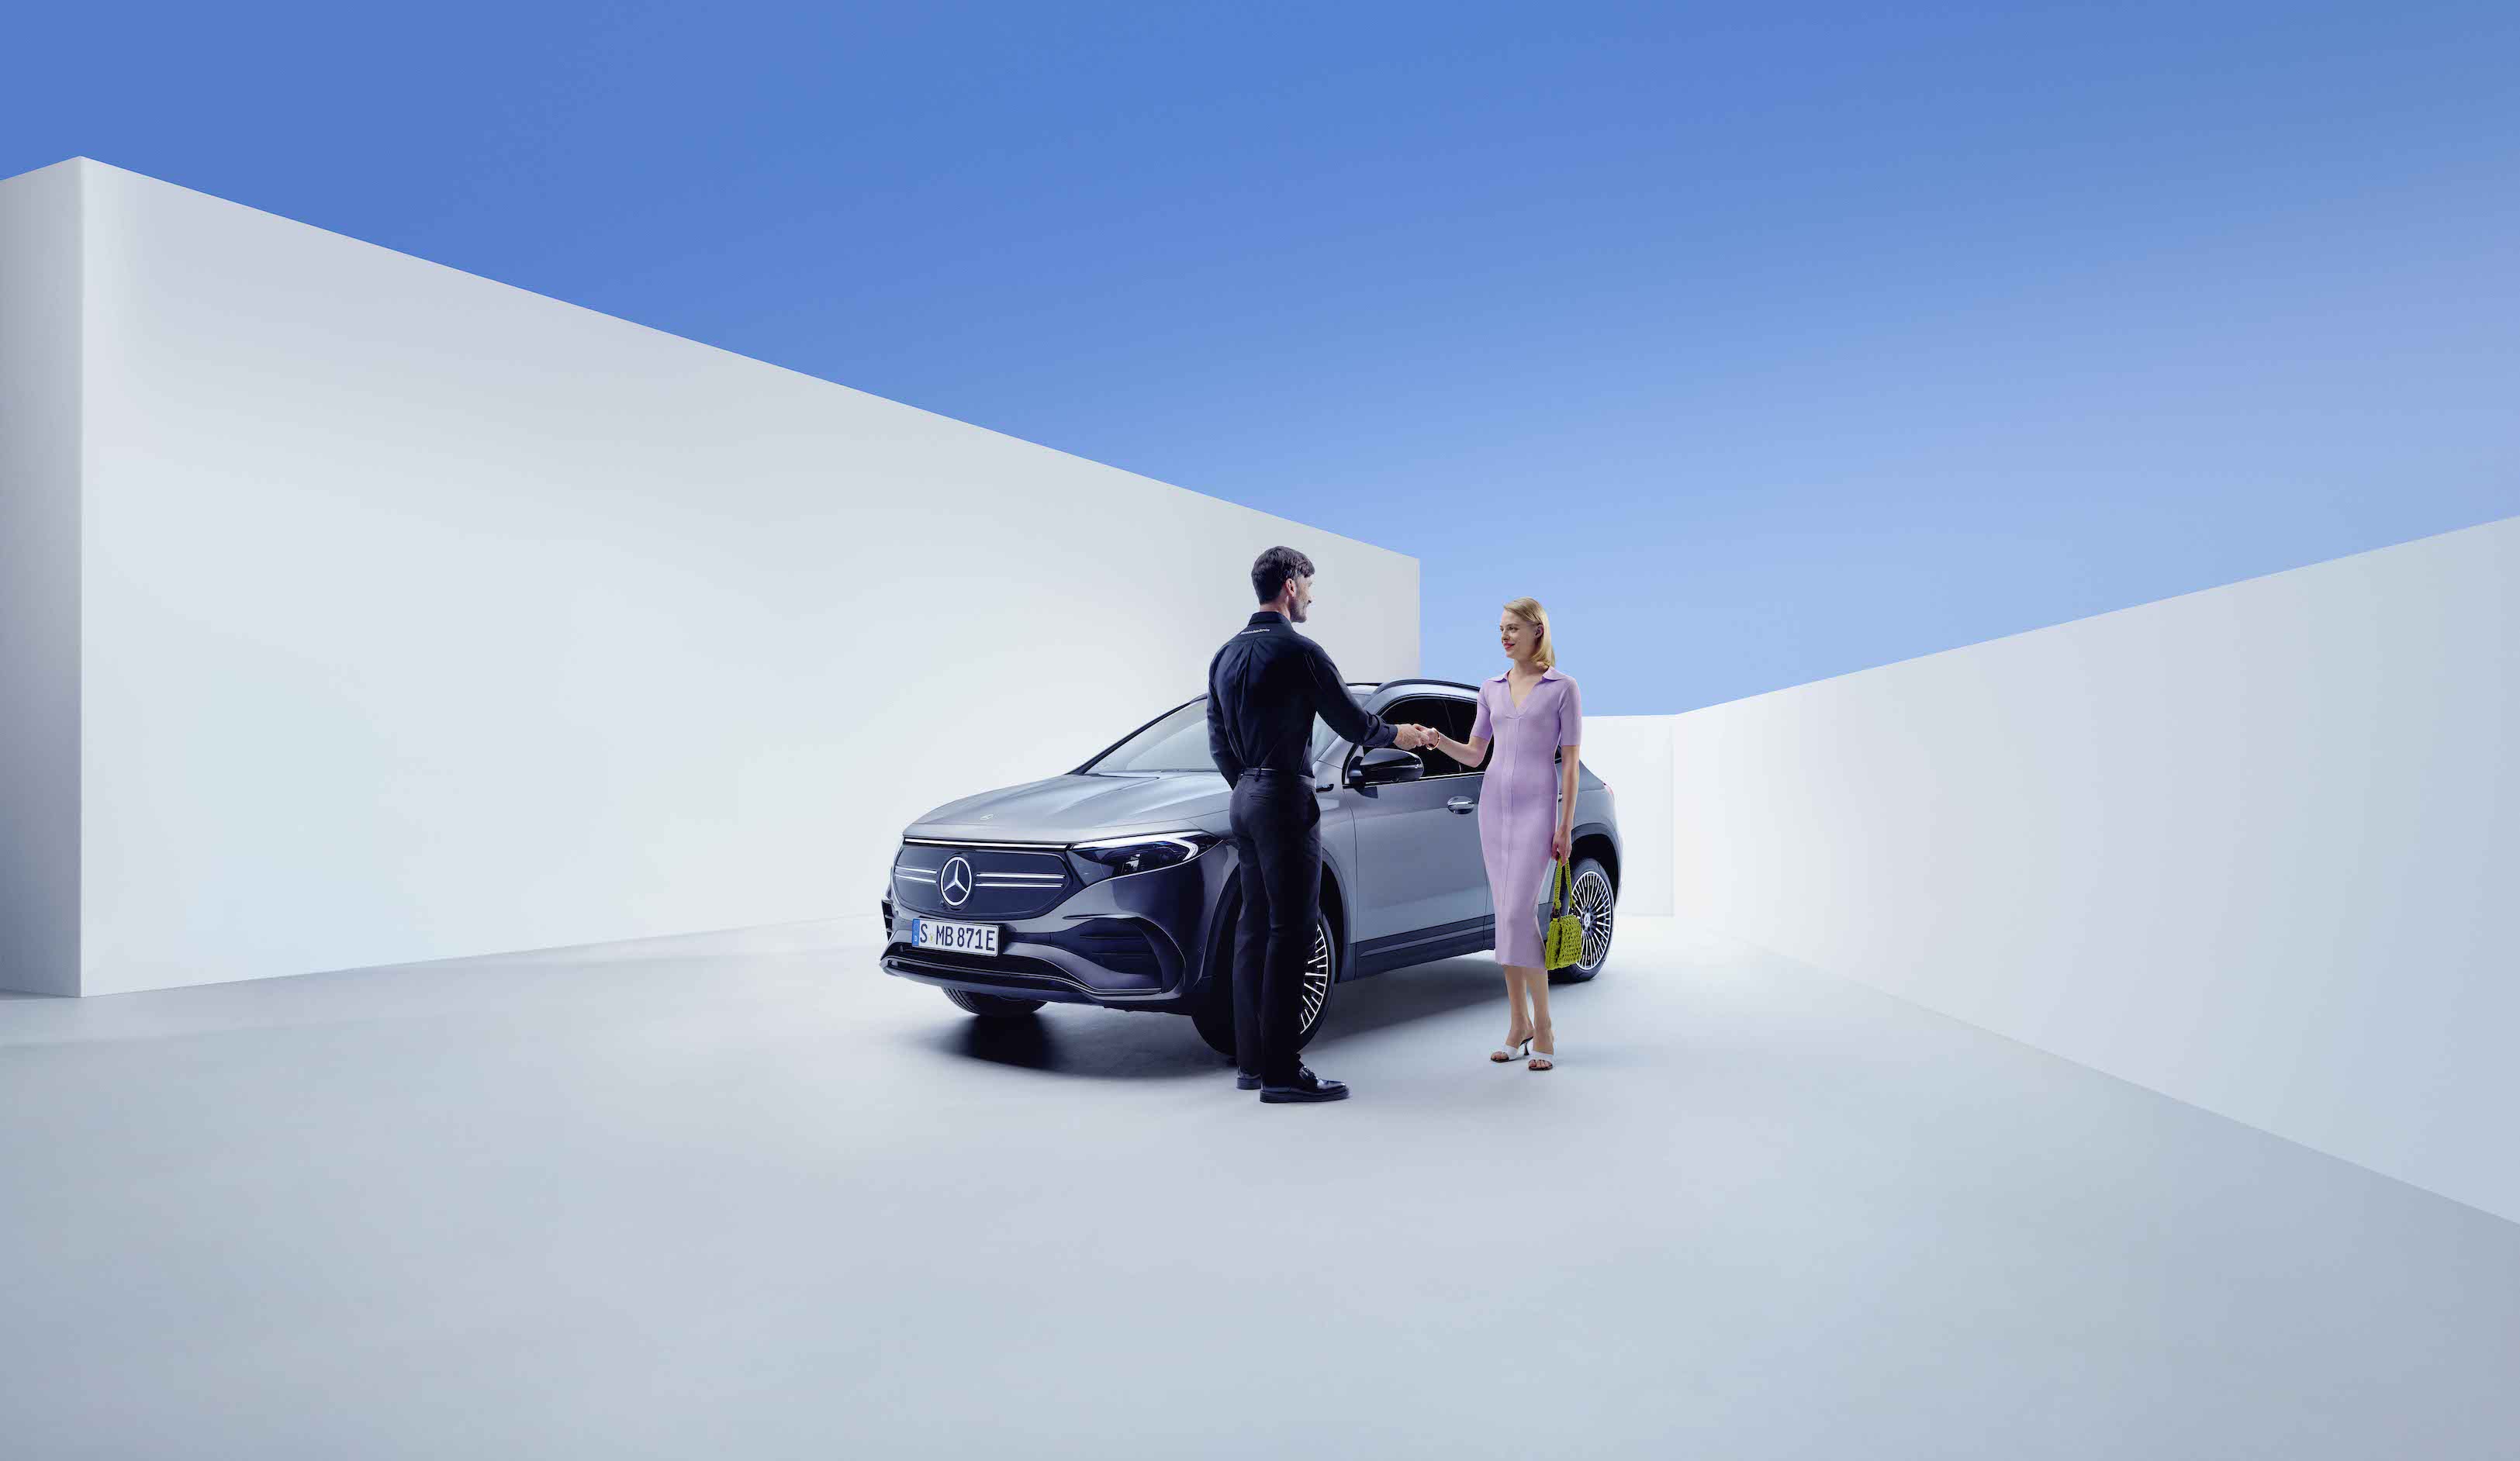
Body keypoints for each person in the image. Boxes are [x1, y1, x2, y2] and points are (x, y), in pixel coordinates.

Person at [1207, 546, 1434, 1104]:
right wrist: (1402, 736)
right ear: (1289, 584)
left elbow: (1217, 741)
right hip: (1284, 797)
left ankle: (1252, 1065)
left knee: (1252, 931)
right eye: (1308, 584)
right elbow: (1354, 723)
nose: (1311, 595)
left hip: (1244, 797)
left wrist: (1249, 784)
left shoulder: (1223, 657)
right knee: (1293, 933)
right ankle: (1283, 1073)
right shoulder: (1300, 652)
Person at [1424, 596, 1581, 1071]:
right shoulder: (1491, 688)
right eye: (1500, 628)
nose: (1505, 636)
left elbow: (1570, 762)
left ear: (1538, 630)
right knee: (1506, 918)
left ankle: (1545, 1023)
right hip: (1493, 809)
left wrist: (1565, 824)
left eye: (1513, 627)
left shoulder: (1563, 688)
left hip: (1538, 810)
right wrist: (1439, 740)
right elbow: (1475, 754)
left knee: (1517, 914)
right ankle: (1519, 1024)